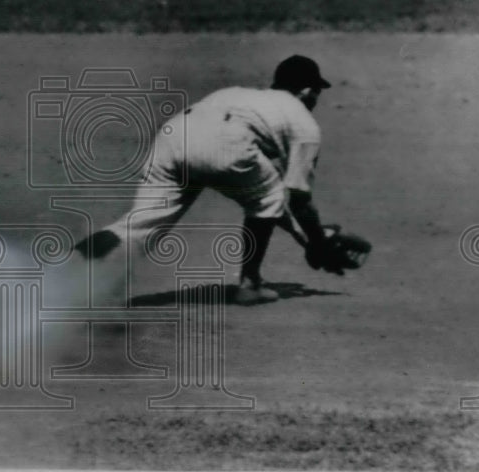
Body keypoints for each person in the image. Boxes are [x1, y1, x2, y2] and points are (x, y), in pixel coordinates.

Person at [74, 55, 337, 305]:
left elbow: (267, 193)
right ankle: (250, 285)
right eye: (317, 92)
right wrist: (318, 243)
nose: (316, 99)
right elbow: (297, 201)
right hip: (226, 141)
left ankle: (63, 270)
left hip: (175, 135)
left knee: (136, 225)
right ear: (306, 91)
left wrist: (308, 238)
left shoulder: (241, 95)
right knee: (268, 199)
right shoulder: (305, 126)